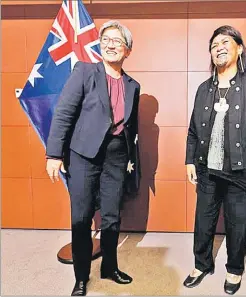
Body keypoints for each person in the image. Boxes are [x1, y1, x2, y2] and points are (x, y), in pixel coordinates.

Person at [46, 20, 140, 296]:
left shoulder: (133, 85)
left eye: (117, 41)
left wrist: (130, 160)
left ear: (128, 50)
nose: (111, 45)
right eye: (106, 39)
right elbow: (64, 112)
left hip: (116, 156)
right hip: (84, 154)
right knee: (82, 217)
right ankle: (81, 276)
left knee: (111, 216)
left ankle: (109, 267)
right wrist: (54, 153)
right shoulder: (85, 72)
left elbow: (131, 128)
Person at [184, 25, 246, 295]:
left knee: (238, 224)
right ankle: (201, 264)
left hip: (242, 171)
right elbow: (193, 130)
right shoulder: (204, 88)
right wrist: (190, 160)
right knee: (203, 221)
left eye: (225, 42)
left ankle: (235, 269)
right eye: (214, 45)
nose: (219, 48)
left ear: (239, 49)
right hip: (207, 169)